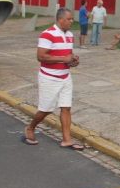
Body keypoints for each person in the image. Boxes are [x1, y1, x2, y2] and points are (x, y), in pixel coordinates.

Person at [23, 8, 84, 150]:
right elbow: (41, 56)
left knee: (66, 107)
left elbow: (67, 54)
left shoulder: (69, 35)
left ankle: (67, 140)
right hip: (49, 78)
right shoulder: (47, 34)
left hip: (65, 76)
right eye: (69, 19)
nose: (71, 21)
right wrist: (64, 58)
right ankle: (30, 128)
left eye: (72, 19)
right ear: (60, 19)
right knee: (46, 109)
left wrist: (72, 61)